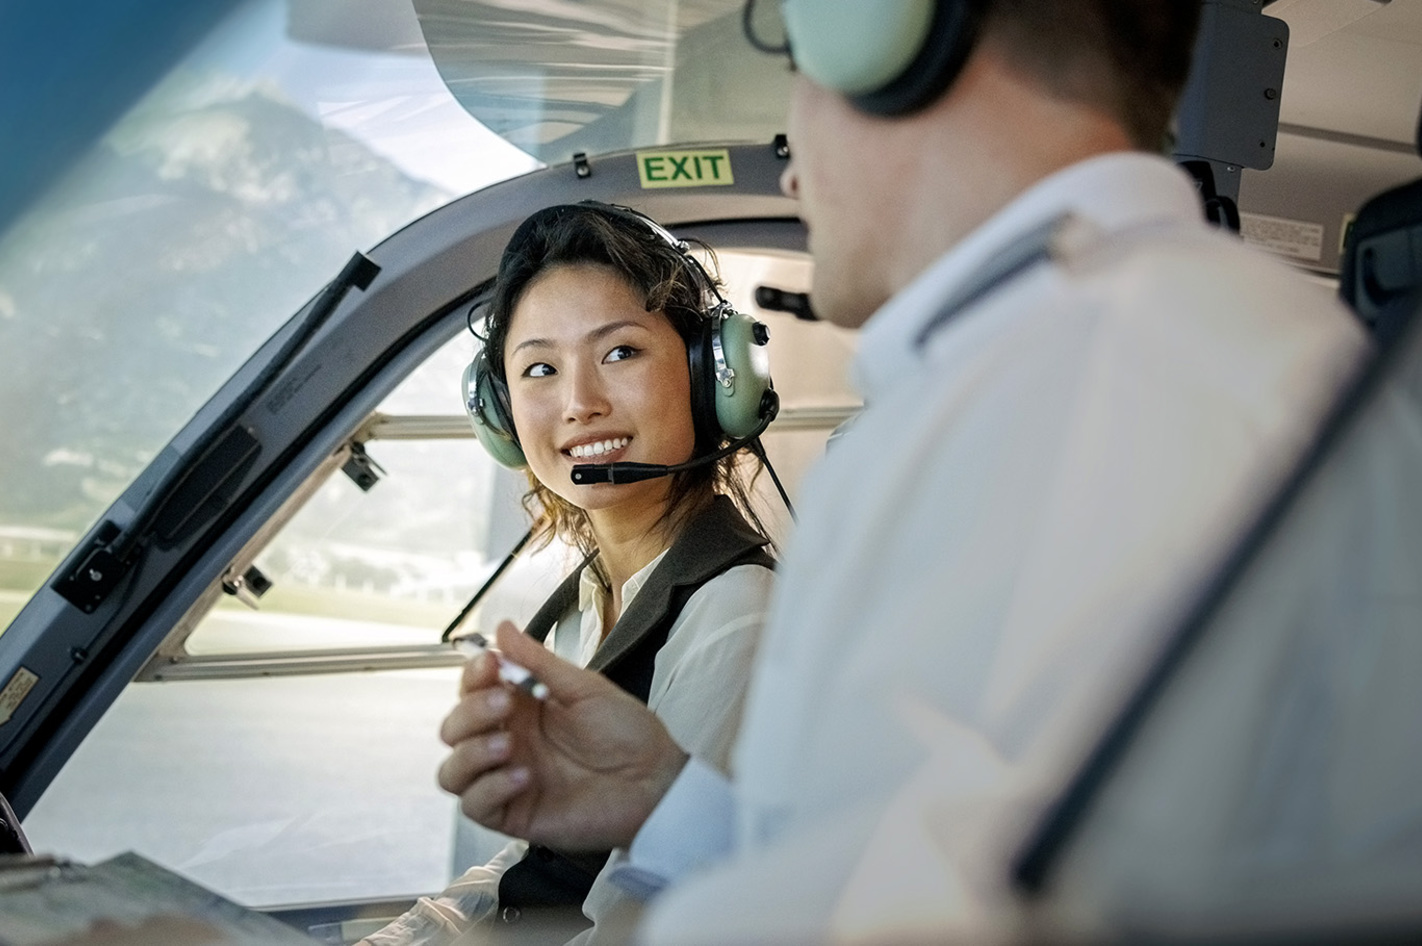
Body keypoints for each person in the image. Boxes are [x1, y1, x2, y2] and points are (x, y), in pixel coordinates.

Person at [436, 2, 1372, 941]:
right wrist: (671, 801)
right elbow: (901, 872)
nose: (791, 154)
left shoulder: (1098, 397)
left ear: (888, 33)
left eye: (796, 61)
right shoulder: (1088, 368)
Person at [361, 202, 777, 945]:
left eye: (619, 353)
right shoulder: (588, 597)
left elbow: (649, 921)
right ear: (500, 412)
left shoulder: (738, 615)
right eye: (540, 369)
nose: (580, 405)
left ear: (711, 374)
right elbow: (538, 864)